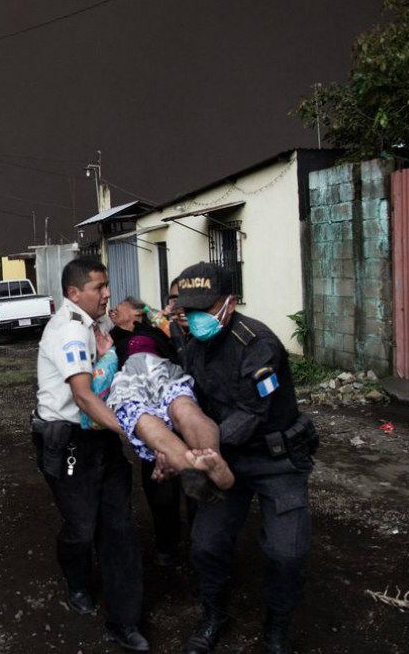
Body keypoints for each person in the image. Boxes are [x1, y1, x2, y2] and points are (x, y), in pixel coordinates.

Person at [174, 262, 318, 654]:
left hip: (276, 461)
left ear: (229, 304)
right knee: (204, 544)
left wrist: (204, 452)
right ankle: (214, 614)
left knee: (285, 553)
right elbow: (187, 397)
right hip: (225, 460)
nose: (195, 318)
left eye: (205, 308)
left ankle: (276, 629)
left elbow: (252, 413)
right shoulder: (194, 344)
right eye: (189, 311)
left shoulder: (259, 344)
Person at [31, 257, 149, 652]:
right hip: (67, 441)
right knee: (81, 528)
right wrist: (132, 431)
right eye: (99, 287)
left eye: (106, 285)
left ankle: (124, 621)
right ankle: (77, 581)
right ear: (74, 293)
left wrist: (110, 355)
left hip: (98, 436)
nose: (107, 294)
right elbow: (82, 394)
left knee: (117, 528)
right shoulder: (69, 330)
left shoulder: (91, 326)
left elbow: (100, 382)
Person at [103, 299, 234, 501]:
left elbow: (179, 344)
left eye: (119, 306)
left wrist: (167, 319)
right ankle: (199, 471)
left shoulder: (156, 328)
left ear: (137, 312)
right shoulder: (110, 337)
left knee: (185, 408)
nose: (113, 310)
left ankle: (211, 460)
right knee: (143, 419)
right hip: (130, 379)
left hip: (162, 371)